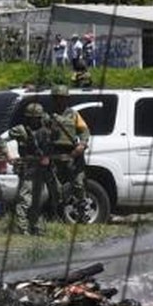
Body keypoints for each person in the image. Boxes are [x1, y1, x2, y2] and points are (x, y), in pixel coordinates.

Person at [7, 102, 53, 235]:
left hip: (41, 168)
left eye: (39, 117)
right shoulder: (21, 130)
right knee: (24, 199)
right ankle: (22, 229)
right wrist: (8, 155)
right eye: (35, 118)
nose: (38, 120)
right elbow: (2, 140)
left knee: (38, 200)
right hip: (28, 168)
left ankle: (35, 227)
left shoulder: (44, 131)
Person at [47, 84, 91, 221]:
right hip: (55, 154)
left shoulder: (74, 114)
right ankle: (57, 215)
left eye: (62, 98)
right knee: (56, 188)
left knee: (78, 184)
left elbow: (84, 131)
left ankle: (82, 212)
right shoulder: (47, 116)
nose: (60, 101)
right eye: (57, 98)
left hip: (73, 154)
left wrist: (82, 144)